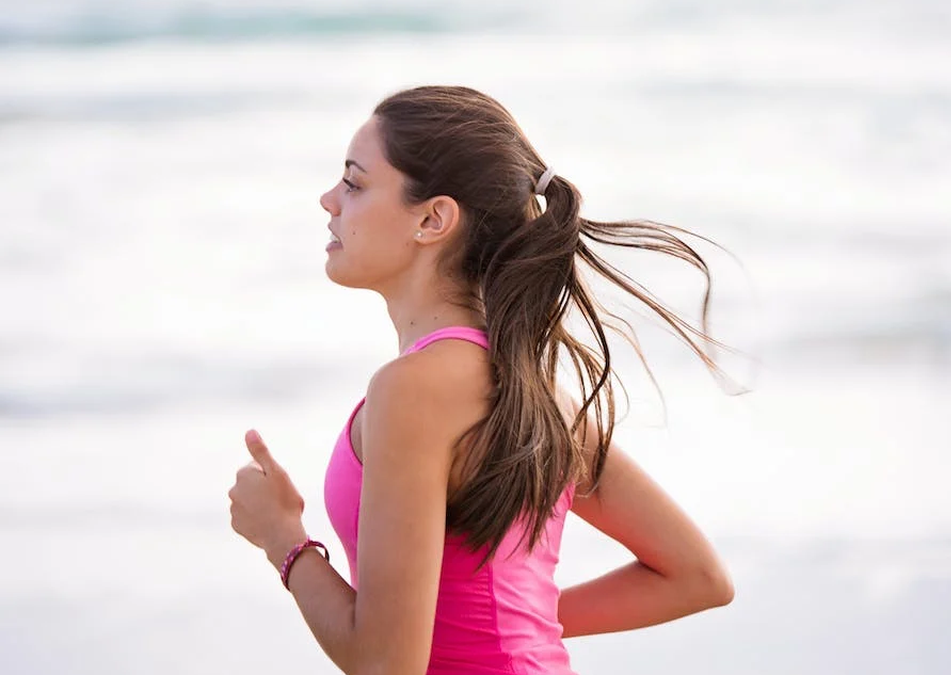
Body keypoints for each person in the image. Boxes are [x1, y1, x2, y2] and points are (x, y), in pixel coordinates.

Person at [227, 85, 734, 675]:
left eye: (355, 183)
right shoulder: (534, 392)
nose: (328, 200)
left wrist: (283, 539)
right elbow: (696, 577)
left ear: (433, 219)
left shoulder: (413, 390)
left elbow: (386, 666)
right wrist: (520, 627)